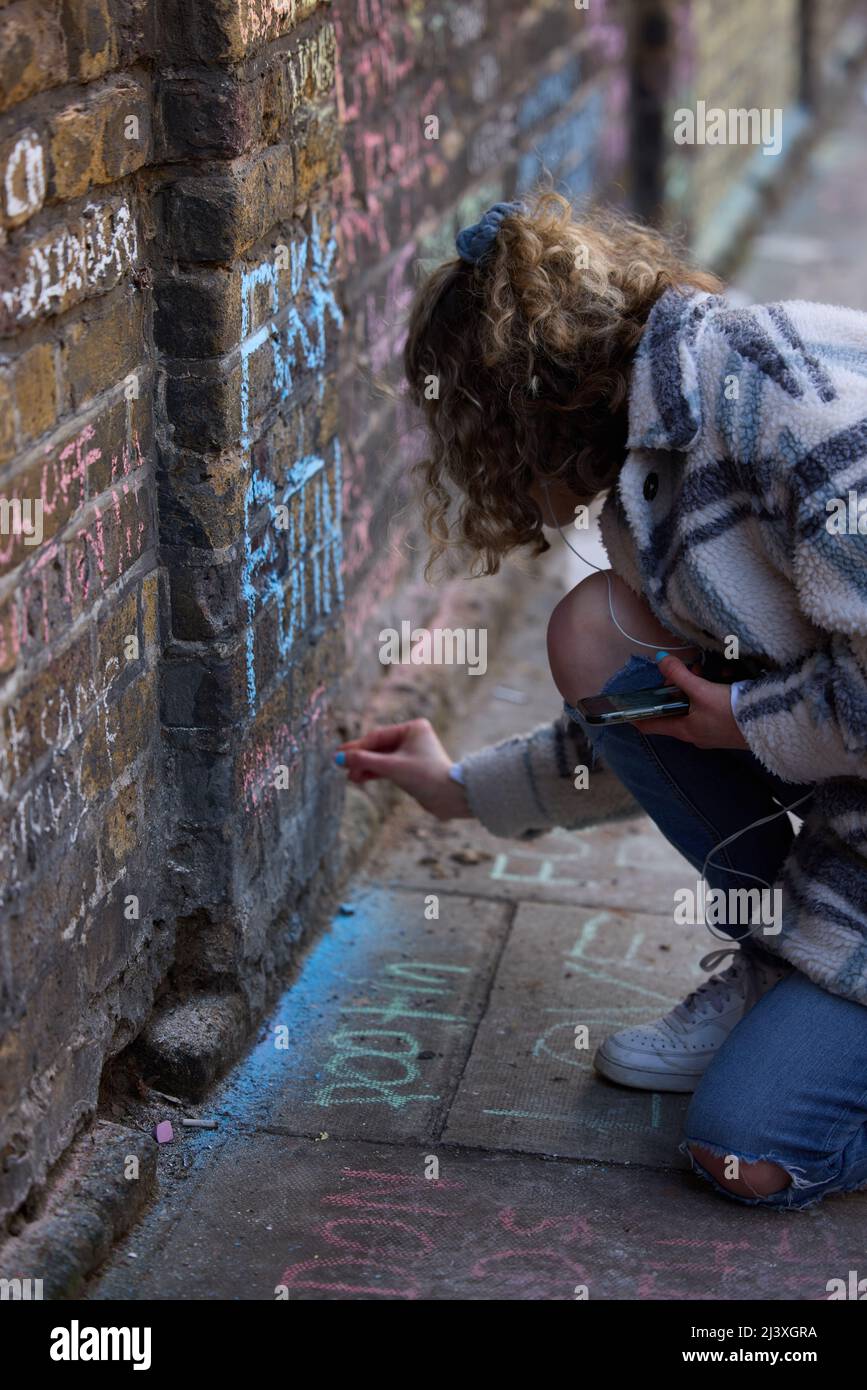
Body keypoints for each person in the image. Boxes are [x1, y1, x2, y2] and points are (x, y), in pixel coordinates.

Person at [335, 191, 867, 1209]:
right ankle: (783, 951)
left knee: (747, 1153)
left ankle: (810, 981)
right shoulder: (660, 454)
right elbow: (641, 730)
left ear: (515, 410)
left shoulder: (786, 413)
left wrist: (747, 720)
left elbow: (728, 719)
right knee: (595, 629)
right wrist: (459, 789)